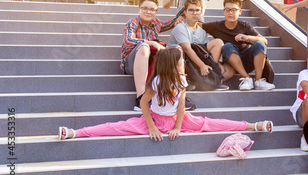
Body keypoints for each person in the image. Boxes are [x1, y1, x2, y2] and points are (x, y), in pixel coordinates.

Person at [58, 47, 273, 141]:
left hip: (177, 120)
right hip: (153, 120)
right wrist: (151, 126)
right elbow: (143, 104)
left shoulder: (181, 80)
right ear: (172, 64)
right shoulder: (158, 81)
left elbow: (180, 107)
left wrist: (178, 126)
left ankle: (254, 126)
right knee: (116, 128)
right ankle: (74, 133)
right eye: (181, 61)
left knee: (212, 123)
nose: (183, 63)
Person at [121, 0, 186, 111]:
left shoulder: (156, 24)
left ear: (156, 12)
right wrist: (151, 43)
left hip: (151, 63)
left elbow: (172, 23)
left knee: (176, 50)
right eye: (144, 8)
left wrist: (186, 6)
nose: (148, 11)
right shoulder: (132, 23)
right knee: (144, 47)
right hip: (132, 64)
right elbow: (127, 41)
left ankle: (178, 95)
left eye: (152, 9)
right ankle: (141, 98)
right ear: (139, 10)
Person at [202, 0, 275, 91]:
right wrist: (181, 17)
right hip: (231, 63)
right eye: (227, 10)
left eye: (234, 10)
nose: (230, 13)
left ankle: (258, 81)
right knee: (227, 46)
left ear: (239, 11)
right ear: (224, 11)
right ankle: (246, 78)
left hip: (248, 61)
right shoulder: (216, 26)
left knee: (259, 44)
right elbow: (196, 23)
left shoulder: (244, 25)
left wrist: (247, 37)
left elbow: (264, 41)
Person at [169, 0, 230, 89]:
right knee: (183, 51)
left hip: (195, 59)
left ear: (201, 13)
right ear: (185, 12)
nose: (194, 13)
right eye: (191, 10)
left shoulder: (202, 29)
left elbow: (204, 51)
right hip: (181, 61)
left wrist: (216, 64)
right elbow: (187, 49)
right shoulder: (180, 27)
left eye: (197, 10)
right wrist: (202, 65)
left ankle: (209, 77)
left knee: (218, 43)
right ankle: (201, 81)